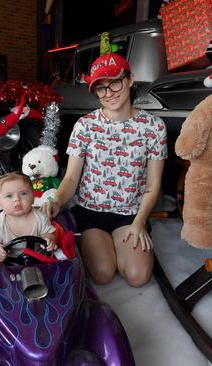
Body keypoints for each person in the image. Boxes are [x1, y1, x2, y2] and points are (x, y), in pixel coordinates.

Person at [42, 53, 167, 287]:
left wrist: (140, 222)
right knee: (102, 274)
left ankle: (124, 244)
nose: (109, 93)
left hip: (131, 214)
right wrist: (57, 201)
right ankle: (98, 244)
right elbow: (70, 177)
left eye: (115, 82)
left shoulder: (154, 126)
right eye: (101, 88)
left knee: (137, 276)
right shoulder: (85, 126)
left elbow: (153, 184)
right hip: (91, 212)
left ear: (130, 80)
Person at [0, 172, 58, 267]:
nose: (17, 199)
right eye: (9, 196)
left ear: (33, 198)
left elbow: (48, 234)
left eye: (23, 194)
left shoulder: (41, 217)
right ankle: (0, 281)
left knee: (58, 259)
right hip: (8, 262)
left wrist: (49, 240)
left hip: (38, 260)